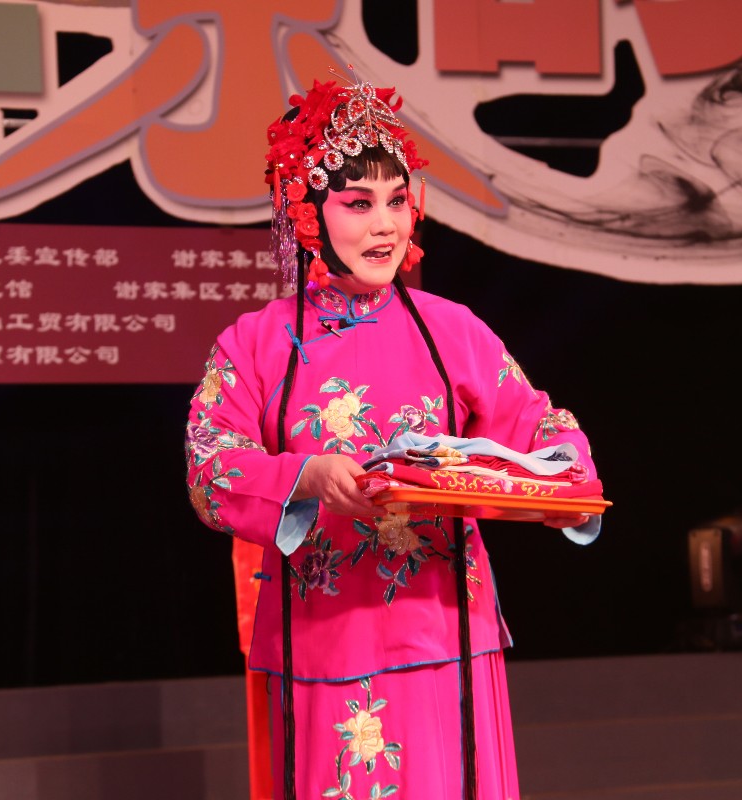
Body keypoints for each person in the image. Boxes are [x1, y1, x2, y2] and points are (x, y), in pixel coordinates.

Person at [186, 72, 603, 800]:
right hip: (321, 636)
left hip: (446, 631)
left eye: (397, 201)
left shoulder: (452, 330)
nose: (385, 225)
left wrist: (563, 481)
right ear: (306, 210)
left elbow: (538, 423)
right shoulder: (256, 342)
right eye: (358, 204)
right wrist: (308, 476)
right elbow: (209, 466)